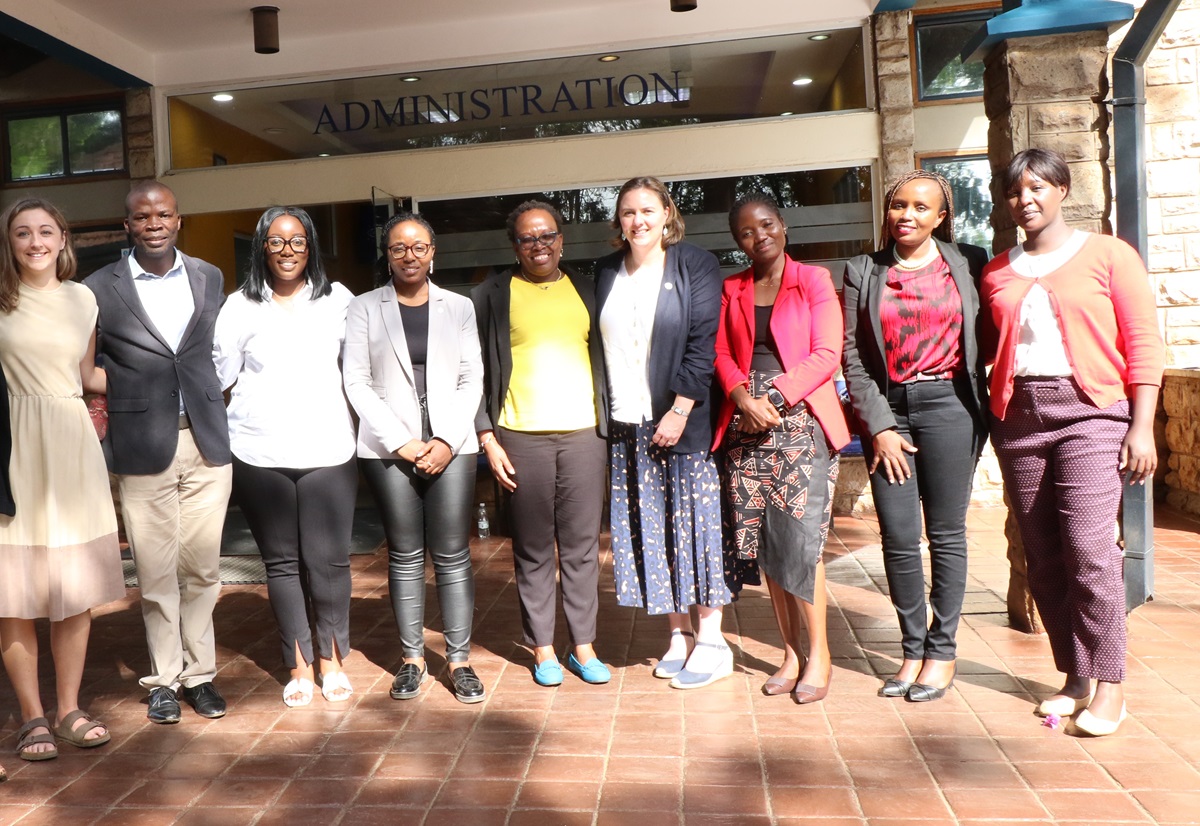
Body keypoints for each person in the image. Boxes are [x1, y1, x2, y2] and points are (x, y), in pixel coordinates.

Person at [983, 148, 1164, 736]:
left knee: (1090, 549)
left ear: (1061, 189)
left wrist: (1141, 424)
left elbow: (1142, 341)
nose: (1025, 200)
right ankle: (1075, 676)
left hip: (1091, 411)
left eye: (1037, 187)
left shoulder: (1107, 254)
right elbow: (993, 349)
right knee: (1043, 553)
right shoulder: (996, 270)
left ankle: (1111, 685)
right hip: (1021, 420)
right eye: (1014, 192)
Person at [85, 181, 232, 724]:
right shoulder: (99, 286)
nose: (154, 223)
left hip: (206, 440)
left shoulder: (208, 275)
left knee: (203, 569)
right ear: (127, 225)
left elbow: (215, 350)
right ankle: (164, 680)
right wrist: (126, 392)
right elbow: (89, 367)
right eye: (142, 216)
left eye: (163, 214)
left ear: (178, 220)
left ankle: (202, 676)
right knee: (155, 572)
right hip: (141, 444)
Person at [842, 170, 990, 702]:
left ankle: (942, 651)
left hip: (952, 408)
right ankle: (911, 649)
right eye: (899, 205)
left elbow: (993, 332)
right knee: (900, 537)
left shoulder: (969, 263)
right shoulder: (863, 270)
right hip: (892, 413)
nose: (907, 214)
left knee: (946, 535)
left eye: (920, 207)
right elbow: (853, 357)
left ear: (941, 217)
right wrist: (878, 425)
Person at [596, 176, 745, 690]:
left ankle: (712, 640)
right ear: (619, 221)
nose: (638, 220)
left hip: (681, 424)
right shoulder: (605, 272)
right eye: (628, 212)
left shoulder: (694, 264)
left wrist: (681, 409)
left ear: (667, 214)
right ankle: (677, 635)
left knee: (696, 528)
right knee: (651, 530)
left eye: (647, 210)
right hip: (626, 424)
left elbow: (703, 342)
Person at [213, 207, 358, 707]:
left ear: (311, 246)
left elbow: (359, 368)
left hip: (329, 448)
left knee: (329, 563)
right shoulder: (239, 306)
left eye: (297, 241)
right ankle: (297, 665)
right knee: (281, 564)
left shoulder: (338, 299)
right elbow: (218, 377)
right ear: (262, 248)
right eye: (276, 242)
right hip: (260, 449)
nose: (287, 251)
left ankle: (333, 660)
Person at [0, 199, 125, 761]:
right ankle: (31, 716)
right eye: (22, 232)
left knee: (73, 592)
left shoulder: (83, 299)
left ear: (62, 237)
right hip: (14, 446)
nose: (34, 242)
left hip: (72, 443)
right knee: (14, 594)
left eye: (45, 231)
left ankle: (69, 708)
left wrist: (152, 381)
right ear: (9, 241)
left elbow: (85, 376)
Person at [343, 212, 486, 704]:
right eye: (398, 248)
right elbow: (356, 380)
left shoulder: (459, 307)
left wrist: (446, 439)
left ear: (433, 252)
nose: (409, 256)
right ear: (387, 255)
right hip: (389, 450)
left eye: (418, 247)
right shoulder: (364, 308)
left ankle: (461, 660)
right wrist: (401, 442)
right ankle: (412, 660)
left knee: (452, 555)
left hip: (453, 448)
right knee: (404, 555)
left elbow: (473, 378)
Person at [713, 194, 850, 704]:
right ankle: (790, 654)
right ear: (738, 241)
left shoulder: (812, 280)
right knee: (768, 546)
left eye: (766, 225)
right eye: (746, 231)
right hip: (745, 426)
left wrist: (772, 395)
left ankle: (821, 655)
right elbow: (721, 352)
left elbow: (826, 354)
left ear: (783, 226)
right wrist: (741, 398)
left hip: (802, 421)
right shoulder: (733, 287)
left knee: (800, 540)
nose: (759, 236)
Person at [473, 201, 610, 686]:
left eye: (547, 235)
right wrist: (486, 435)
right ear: (515, 246)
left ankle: (584, 647)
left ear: (562, 240)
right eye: (529, 238)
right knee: (533, 550)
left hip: (583, 436)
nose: (540, 245)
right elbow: (474, 373)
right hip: (520, 436)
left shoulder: (588, 289)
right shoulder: (491, 295)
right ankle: (544, 650)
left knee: (581, 547)